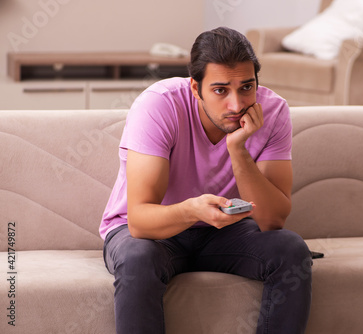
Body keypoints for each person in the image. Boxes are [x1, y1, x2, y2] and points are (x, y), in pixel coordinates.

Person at [100, 26, 312, 334]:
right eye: (220, 90)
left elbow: (273, 219)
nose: (237, 105)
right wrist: (192, 211)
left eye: (246, 87)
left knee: (291, 249)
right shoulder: (159, 105)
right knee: (137, 257)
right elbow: (140, 221)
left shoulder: (273, 111)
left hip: (223, 233)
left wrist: (238, 150)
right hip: (154, 234)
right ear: (195, 88)